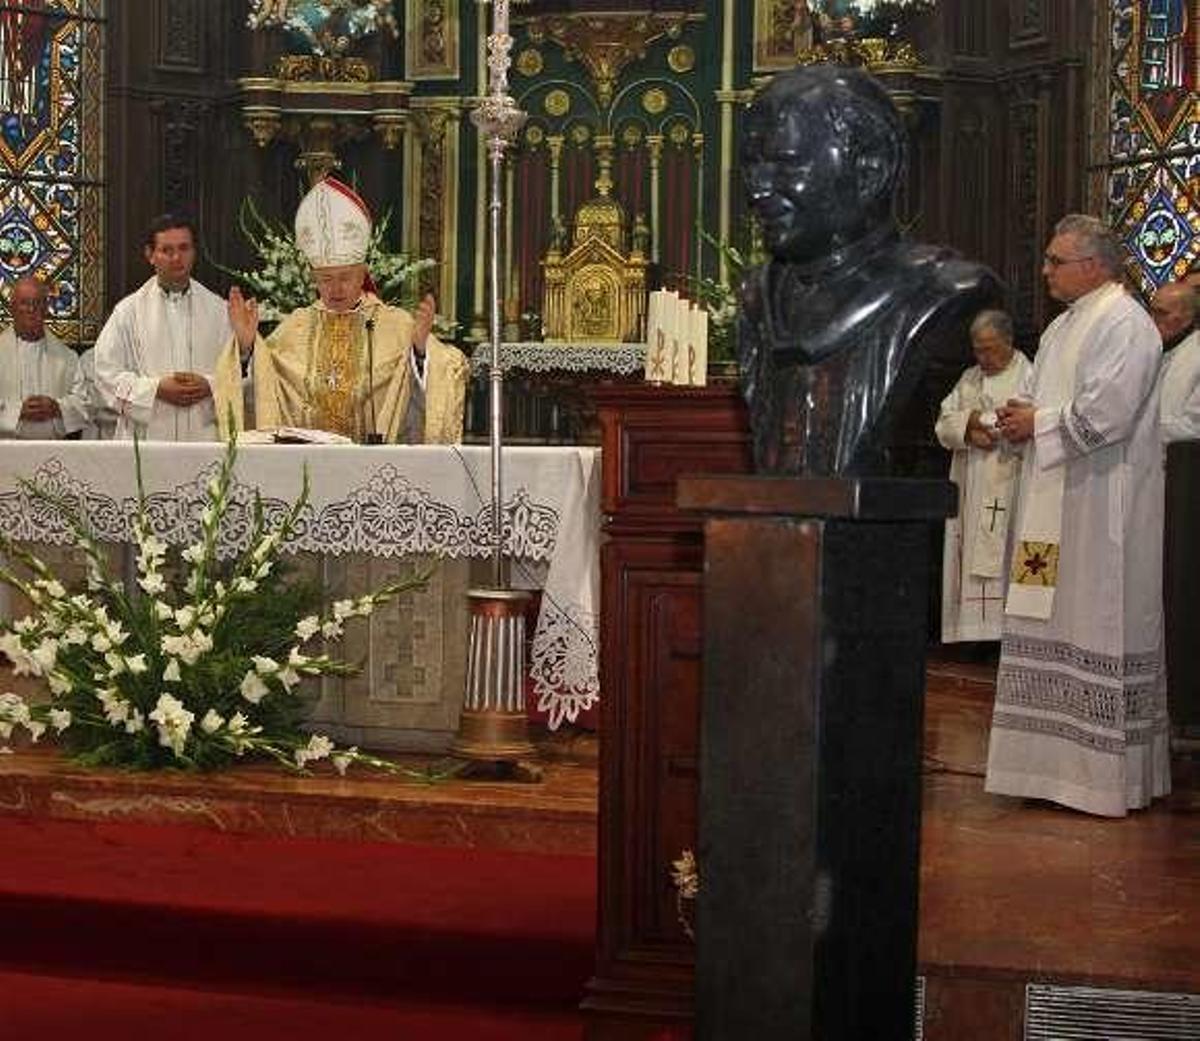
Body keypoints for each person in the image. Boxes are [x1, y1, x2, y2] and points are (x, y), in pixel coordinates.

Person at [986, 213, 1170, 816]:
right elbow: (1043, 401)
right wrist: (1018, 420)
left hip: (1101, 512)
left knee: (1098, 623)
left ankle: (1099, 780)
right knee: (1042, 617)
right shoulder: (1066, 327)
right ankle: (1045, 769)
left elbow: (1106, 415)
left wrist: (1035, 422)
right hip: (1050, 511)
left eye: (1054, 261)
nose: (1044, 272)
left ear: (1092, 265)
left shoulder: (1126, 323)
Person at [737, 63, 1002, 476]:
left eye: (787, 164)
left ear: (870, 170)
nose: (757, 189)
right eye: (751, 165)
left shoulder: (940, 291)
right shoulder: (760, 300)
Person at [221, 177, 468, 444]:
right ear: (314, 278)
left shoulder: (395, 324)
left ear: (363, 274)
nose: (336, 288)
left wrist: (420, 353)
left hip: (374, 463)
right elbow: (264, 392)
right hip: (306, 463)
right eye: (326, 279)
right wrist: (247, 349)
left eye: (346, 277)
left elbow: (446, 374)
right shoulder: (297, 326)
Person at [935, 310, 1031, 643]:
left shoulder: (1029, 376)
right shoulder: (968, 378)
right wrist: (969, 426)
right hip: (970, 482)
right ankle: (972, 635)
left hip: (1009, 481)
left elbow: (1027, 423)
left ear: (1009, 341)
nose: (983, 357)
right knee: (969, 554)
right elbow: (943, 424)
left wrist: (978, 423)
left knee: (1003, 551)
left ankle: (1006, 636)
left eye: (990, 349)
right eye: (978, 350)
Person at [93, 214, 233, 441]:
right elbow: (105, 374)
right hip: (147, 437)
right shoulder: (127, 312)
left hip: (204, 436)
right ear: (150, 255)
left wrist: (209, 385)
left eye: (184, 248)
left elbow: (241, 373)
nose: (177, 257)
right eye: (167, 250)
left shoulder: (219, 311)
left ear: (194, 252)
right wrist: (156, 389)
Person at [0, 276, 89, 440]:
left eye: (37, 303)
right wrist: (16, 412)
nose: (31, 309)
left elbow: (83, 404)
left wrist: (57, 407)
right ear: (11, 308)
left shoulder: (68, 358)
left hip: (52, 452)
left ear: (46, 308)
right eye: (24, 302)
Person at [1149, 281, 1198, 443]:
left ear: (1187, 318)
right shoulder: (1151, 347)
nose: (1152, 319)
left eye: (1161, 312)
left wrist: (1140, 429)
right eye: (1151, 311)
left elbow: (1194, 426)